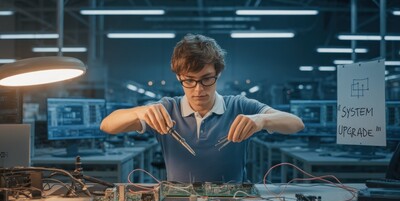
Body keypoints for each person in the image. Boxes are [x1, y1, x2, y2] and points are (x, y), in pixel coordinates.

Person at [100, 34, 304, 183]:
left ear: (218, 74)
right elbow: (107, 125)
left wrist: (262, 120)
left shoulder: (240, 105)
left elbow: (296, 124)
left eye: (206, 79)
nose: (198, 90)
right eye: (189, 81)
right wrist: (140, 111)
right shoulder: (166, 109)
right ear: (179, 78)